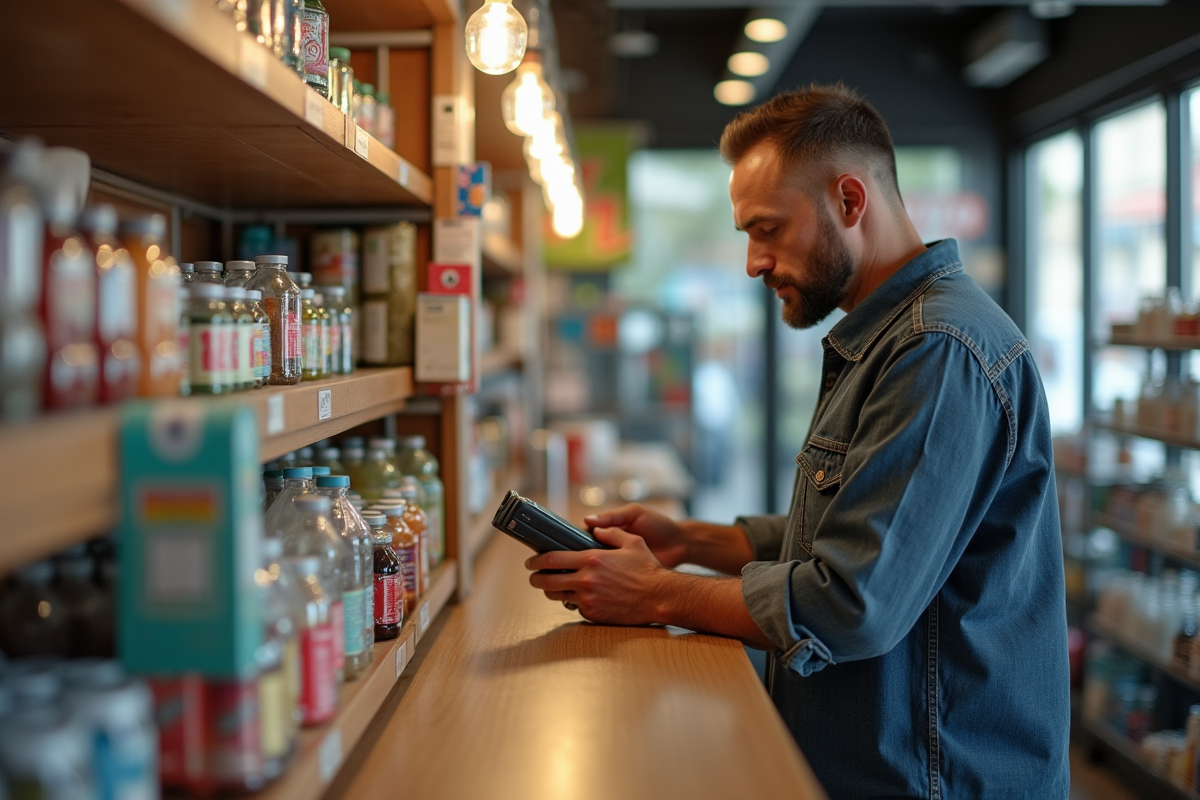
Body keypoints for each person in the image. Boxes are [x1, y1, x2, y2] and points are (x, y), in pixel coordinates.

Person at [524, 83, 1069, 799]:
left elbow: (852, 602)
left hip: (932, 779)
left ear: (849, 201)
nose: (754, 262)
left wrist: (657, 595)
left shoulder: (937, 350)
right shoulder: (894, 338)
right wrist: (690, 540)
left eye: (768, 229)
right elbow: (855, 531)